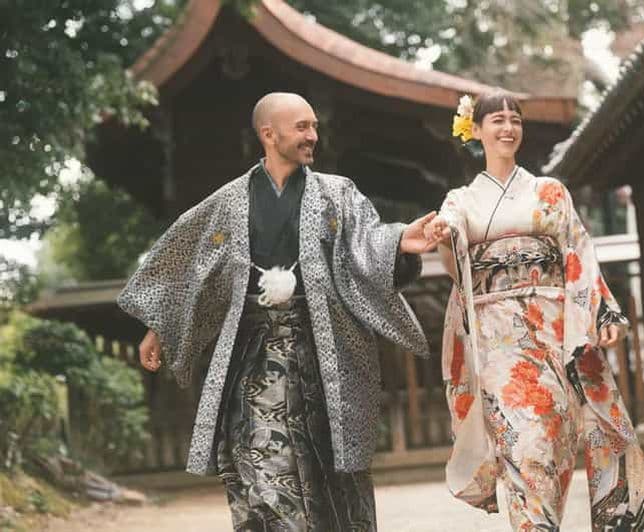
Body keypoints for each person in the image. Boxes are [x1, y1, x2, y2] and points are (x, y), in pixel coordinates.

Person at [118, 92, 435, 531]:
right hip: (253, 356)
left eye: (314, 127)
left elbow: (367, 244)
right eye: (302, 127)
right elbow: (190, 262)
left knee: (334, 476)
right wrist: (161, 326)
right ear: (269, 134)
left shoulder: (337, 193)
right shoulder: (228, 202)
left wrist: (399, 241)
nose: (313, 136)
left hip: (326, 358)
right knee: (257, 468)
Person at [424, 90, 644, 531]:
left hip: (553, 329)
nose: (508, 128)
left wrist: (601, 313)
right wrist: (446, 234)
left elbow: (578, 252)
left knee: (557, 438)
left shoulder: (549, 191)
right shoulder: (461, 200)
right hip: (498, 340)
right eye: (498, 120)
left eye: (515, 120)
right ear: (476, 130)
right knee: (523, 440)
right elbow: (457, 263)